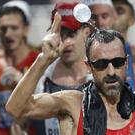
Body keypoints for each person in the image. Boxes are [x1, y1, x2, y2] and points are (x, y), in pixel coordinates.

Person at [6, 12, 135, 134]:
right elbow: (15, 109)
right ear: (89, 67)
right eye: (101, 64)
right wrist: (43, 60)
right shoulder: (73, 104)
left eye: (118, 62)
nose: (111, 71)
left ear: (126, 62)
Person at [32, 2, 92, 135]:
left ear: (86, 32)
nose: (64, 43)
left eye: (71, 34)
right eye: (60, 34)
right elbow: (17, 111)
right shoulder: (40, 77)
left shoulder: (101, 75)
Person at [0, 1, 39, 135]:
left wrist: (23, 83)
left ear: (25, 29)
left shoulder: (38, 61)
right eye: (3, 28)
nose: (8, 34)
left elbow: (50, 100)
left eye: (14, 28)